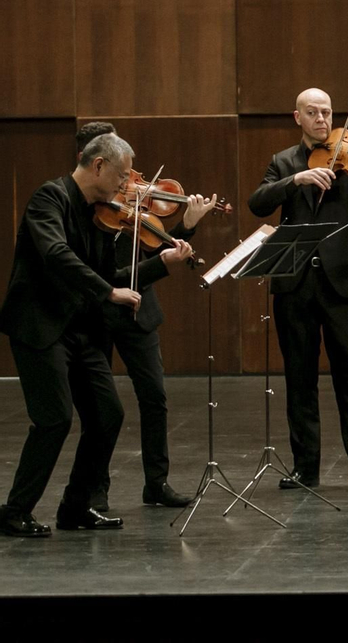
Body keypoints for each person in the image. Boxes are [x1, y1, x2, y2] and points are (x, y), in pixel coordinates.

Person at [0, 132, 193, 537]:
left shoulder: (103, 214)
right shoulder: (48, 199)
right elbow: (57, 255)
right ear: (98, 165)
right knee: (54, 419)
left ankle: (76, 506)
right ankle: (15, 510)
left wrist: (164, 261)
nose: (129, 187)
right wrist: (108, 293)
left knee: (108, 415)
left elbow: (112, 277)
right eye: (123, 177)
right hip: (40, 326)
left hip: (79, 326)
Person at [248, 88, 348, 491]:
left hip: (344, 285)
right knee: (299, 380)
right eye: (312, 112)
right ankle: (305, 469)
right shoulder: (283, 162)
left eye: (327, 112)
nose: (322, 119)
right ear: (297, 117)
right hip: (295, 285)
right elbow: (257, 202)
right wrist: (295, 179)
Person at [72, 122, 217, 511]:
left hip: (139, 310)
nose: (126, 184)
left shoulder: (133, 204)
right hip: (97, 314)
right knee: (99, 410)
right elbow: (104, 278)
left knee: (154, 397)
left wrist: (186, 227)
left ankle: (157, 482)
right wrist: (161, 264)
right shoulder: (76, 210)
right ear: (90, 162)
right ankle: (96, 490)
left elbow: (152, 255)